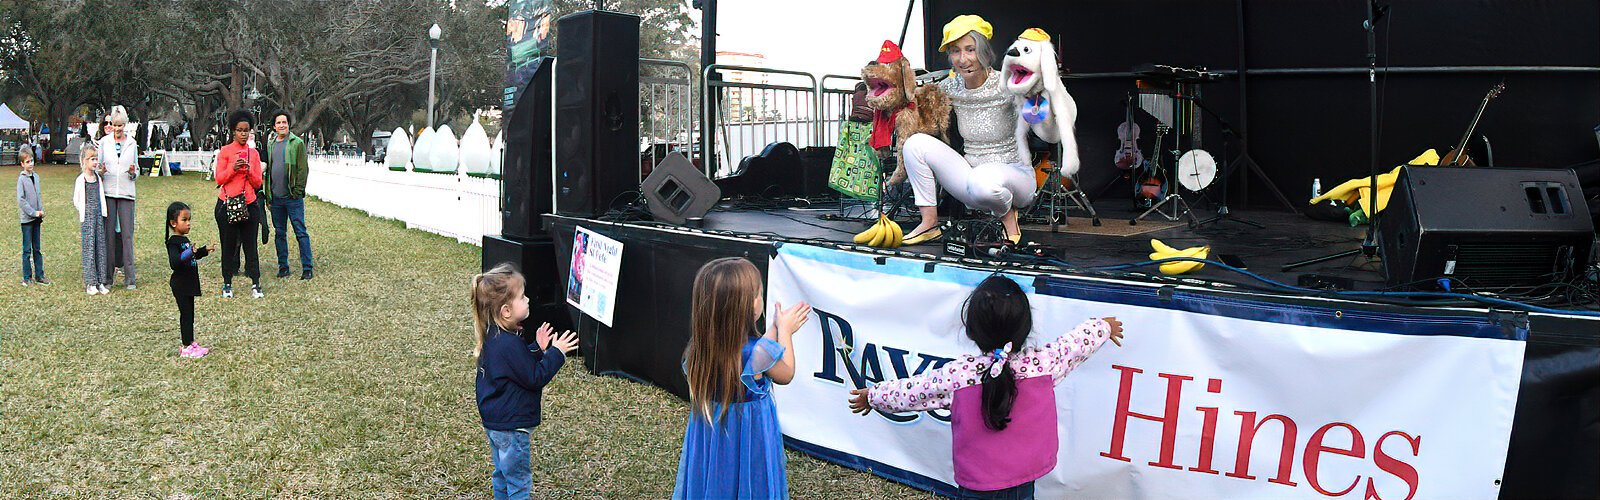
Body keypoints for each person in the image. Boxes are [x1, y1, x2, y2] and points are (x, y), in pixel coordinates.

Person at [848, 276, 1124, 499]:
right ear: (1026, 326)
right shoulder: (1044, 364)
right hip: (1027, 474)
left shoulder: (958, 375)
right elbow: (1075, 343)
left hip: (978, 485)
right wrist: (1103, 326)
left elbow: (911, 392)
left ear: (970, 330)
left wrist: (872, 395)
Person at [672, 257, 812, 499]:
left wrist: (775, 328)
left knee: (718, 479)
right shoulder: (756, 354)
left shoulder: (699, 349)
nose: (762, 298)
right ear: (747, 307)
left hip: (714, 434)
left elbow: (755, 351)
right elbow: (786, 372)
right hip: (749, 435)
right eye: (759, 294)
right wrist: (786, 331)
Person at [897, 15, 1036, 246]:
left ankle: (1009, 218)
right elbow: (916, 103)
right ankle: (929, 222)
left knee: (984, 182)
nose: (963, 59)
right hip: (971, 177)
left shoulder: (1007, 83)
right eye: (955, 51)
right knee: (915, 143)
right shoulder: (950, 87)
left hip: (1015, 176)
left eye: (970, 49)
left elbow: (1044, 130)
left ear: (983, 51)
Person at [473, 263, 578, 500]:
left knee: (502, 474)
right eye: (522, 296)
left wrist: (538, 348)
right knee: (518, 482)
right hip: (512, 428)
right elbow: (534, 377)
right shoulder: (508, 343)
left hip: (496, 424)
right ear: (506, 311)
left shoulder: (496, 337)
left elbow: (517, 368)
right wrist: (557, 352)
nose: (528, 299)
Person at [214, 110, 266, 299]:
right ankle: (227, 282)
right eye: (239, 130)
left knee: (250, 245)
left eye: (246, 131)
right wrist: (232, 168)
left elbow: (258, 182)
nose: (243, 134)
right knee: (228, 245)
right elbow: (219, 178)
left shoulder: (254, 154)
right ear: (233, 131)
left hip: (250, 203)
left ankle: (255, 282)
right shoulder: (225, 152)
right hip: (228, 203)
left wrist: (248, 171)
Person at [260, 111, 314, 280]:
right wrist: (268, 195)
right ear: (274, 126)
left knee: (300, 232)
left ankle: (307, 267)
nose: (282, 125)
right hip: (276, 199)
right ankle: (283, 267)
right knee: (280, 233)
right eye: (278, 122)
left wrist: (297, 191)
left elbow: (302, 170)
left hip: (293, 198)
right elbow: (268, 171)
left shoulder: (296, 143)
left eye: (284, 122)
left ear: (288, 124)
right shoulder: (270, 144)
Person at [99, 105, 140, 289]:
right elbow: (98, 168)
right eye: (114, 125)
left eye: (120, 125)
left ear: (125, 125)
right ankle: (107, 279)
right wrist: (101, 172)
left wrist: (133, 172)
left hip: (126, 194)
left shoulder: (132, 143)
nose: (117, 129)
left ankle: (130, 278)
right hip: (108, 193)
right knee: (108, 237)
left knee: (127, 236)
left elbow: (137, 171)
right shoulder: (103, 143)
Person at [166, 202, 213, 358]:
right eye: (184, 220)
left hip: (189, 283)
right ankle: (186, 348)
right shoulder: (173, 242)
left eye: (189, 219)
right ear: (173, 223)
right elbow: (175, 263)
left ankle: (191, 342)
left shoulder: (184, 240)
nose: (188, 223)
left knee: (190, 315)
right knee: (186, 315)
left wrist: (204, 250)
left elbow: (193, 255)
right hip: (181, 284)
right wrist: (188, 253)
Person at [73, 142, 111, 295]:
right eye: (92, 159)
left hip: (98, 217)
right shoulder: (81, 180)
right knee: (89, 249)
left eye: (96, 159)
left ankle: (101, 281)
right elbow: (76, 199)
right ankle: (91, 282)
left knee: (100, 248)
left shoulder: (97, 178)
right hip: (87, 218)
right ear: (84, 161)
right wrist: (84, 210)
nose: (95, 162)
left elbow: (101, 197)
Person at [16, 147, 49, 286]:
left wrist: (40, 211)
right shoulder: (21, 180)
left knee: (37, 248)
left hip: (37, 219)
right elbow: (21, 200)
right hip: (27, 220)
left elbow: (38, 196)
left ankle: (39, 275)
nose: (30, 164)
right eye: (27, 161)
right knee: (26, 250)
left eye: (32, 160)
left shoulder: (36, 177)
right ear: (22, 164)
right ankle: (27, 277)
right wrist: (33, 212)